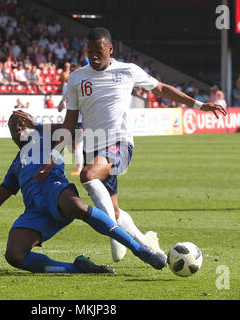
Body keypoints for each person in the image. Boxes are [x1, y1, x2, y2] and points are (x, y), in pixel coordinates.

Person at [34, 27, 228, 263]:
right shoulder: (77, 78)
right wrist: (54, 154)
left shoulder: (128, 71)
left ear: (110, 49)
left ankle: (119, 236)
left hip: (119, 144)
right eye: (89, 52)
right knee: (113, 211)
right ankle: (148, 244)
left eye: (99, 52)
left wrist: (198, 105)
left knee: (87, 174)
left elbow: (162, 88)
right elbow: (70, 122)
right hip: (93, 148)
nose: (93, 57)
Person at [0, 110, 167, 274]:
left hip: (57, 193)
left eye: (22, 122)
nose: (18, 126)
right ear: (11, 135)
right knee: (14, 256)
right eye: (13, 125)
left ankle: (141, 251)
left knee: (76, 206)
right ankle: (77, 268)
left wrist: (37, 126)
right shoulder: (15, 165)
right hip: (36, 212)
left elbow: (77, 129)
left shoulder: (46, 137)